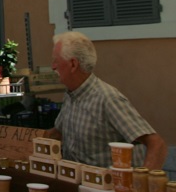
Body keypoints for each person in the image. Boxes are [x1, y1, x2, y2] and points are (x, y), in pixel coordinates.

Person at [44, 31, 168, 169]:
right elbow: (58, 133)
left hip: (110, 181)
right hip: (78, 180)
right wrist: (29, 141)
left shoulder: (108, 99)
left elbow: (157, 144)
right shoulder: (71, 95)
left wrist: (143, 179)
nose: (53, 66)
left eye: (56, 60)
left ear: (73, 64)